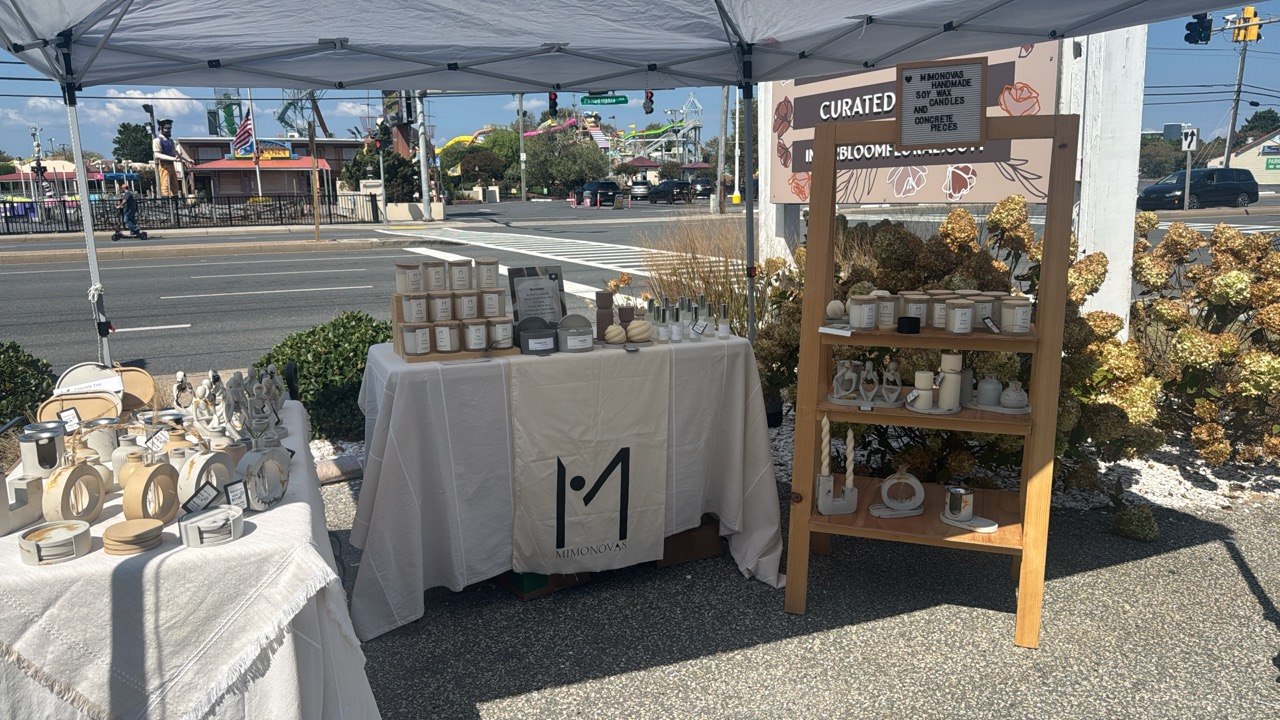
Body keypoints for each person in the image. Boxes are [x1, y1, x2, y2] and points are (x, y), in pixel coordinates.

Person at [152, 118, 193, 197]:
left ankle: (175, 197)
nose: (169, 130)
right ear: (161, 128)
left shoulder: (170, 141)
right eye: (166, 128)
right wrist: (173, 159)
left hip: (171, 164)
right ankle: (166, 199)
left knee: (175, 183)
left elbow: (176, 153)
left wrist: (187, 160)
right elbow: (157, 154)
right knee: (165, 183)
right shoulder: (157, 140)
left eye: (170, 128)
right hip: (163, 165)